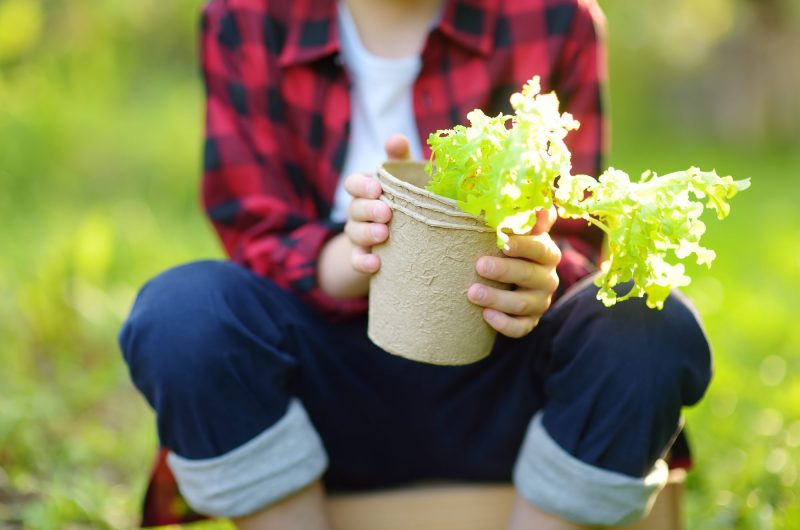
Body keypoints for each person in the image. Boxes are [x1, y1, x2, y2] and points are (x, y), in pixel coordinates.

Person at [119, 0, 712, 528]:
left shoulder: (553, 16)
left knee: (645, 320)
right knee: (182, 315)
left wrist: (540, 277)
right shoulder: (246, 19)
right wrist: (355, 258)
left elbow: (577, 235)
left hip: (506, 384)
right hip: (321, 396)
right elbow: (256, 233)